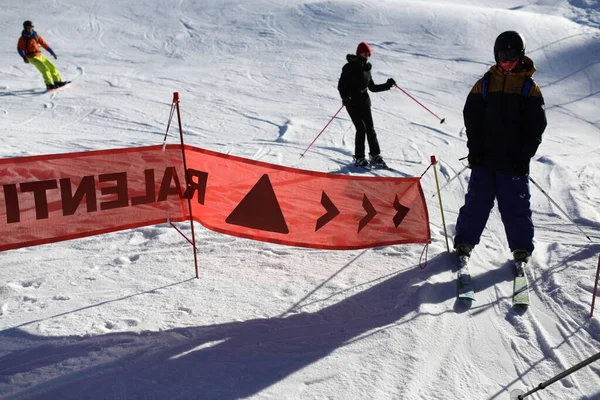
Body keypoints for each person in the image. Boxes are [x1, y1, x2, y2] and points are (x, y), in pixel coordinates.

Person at [454, 31, 547, 265]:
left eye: (513, 55)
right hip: (485, 157)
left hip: (513, 161)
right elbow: (471, 117)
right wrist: (474, 148)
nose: (507, 61)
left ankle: (521, 249)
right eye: (502, 55)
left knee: (515, 207)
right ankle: (464, 242)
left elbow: (536, 126)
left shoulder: (529, 88)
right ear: (496, 56)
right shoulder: (484, 84)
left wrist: (524, 155)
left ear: (521, 55)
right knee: (477, 201)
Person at [338, 41, 395, 168]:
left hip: (364, 101)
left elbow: (372, 87)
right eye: (365, 53)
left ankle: (375, 155)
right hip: (352, 102)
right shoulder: (348, 67)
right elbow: (341, 85)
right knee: (361, 129)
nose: (367, 56)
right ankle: (359, 158)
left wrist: (387, 85)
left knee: (370, 128)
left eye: (368, 54)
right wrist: (345, 97)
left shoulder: (367, 69)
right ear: (359, 53)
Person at [17, 20, 67, 90]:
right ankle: (49, 85)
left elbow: (44, 44)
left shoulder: (35, 35)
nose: (30, 29)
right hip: (32, 57)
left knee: (52, 67)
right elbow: (19, 49)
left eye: (31, 27)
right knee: (45, 69)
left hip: (39, 55)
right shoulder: (23, 38)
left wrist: (52, 52)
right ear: (25, 28)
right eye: (28, 27)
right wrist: (24, 57)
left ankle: (57, 82)